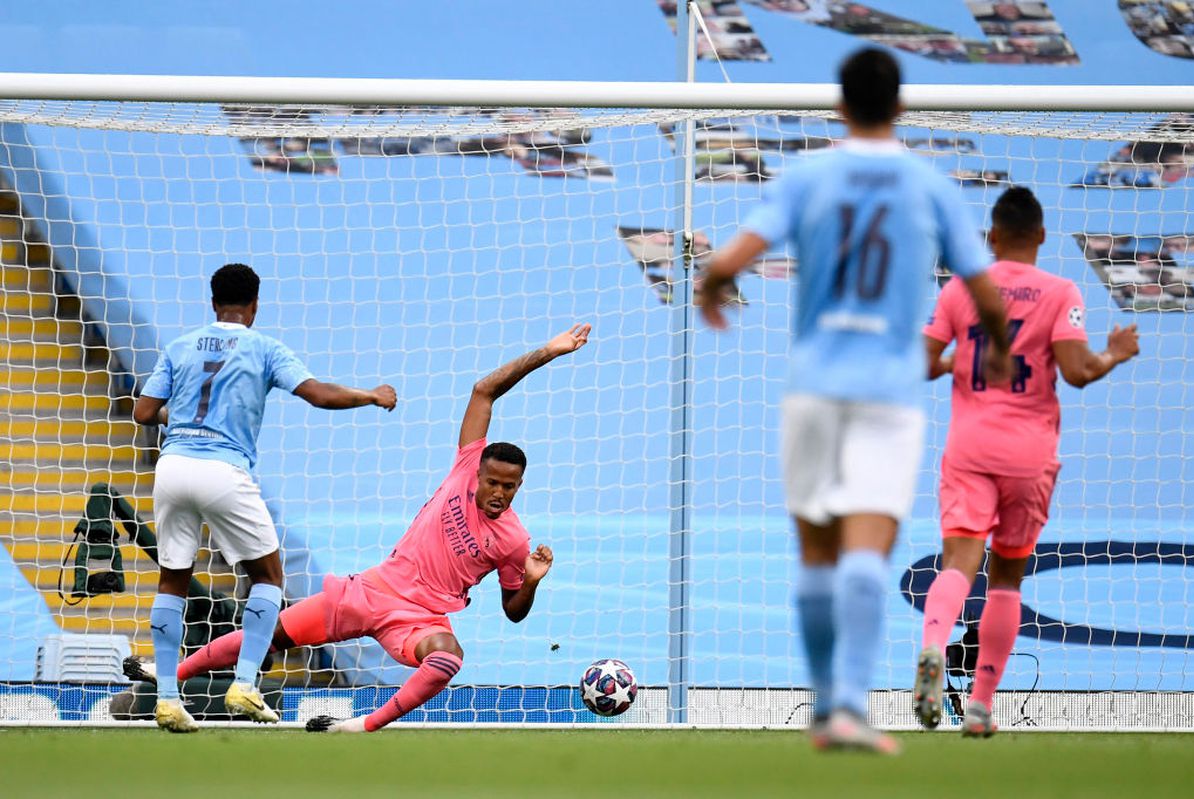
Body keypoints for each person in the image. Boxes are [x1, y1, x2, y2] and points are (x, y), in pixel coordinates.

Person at [697, 47, 1011, 753]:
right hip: (888, 393)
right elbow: (985, 291)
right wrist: (994, 344)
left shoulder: (810, 174)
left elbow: (729, 258)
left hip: (813, 386)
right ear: (900, 106)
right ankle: (849, 705)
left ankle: (823, 707)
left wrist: (713, 285)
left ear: (840, 105)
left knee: (815, 553)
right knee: (868, 547)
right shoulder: (928, 183)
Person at [128, 324, 591, 733]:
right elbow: (483, 392)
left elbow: (514, 611)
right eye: (493, 482)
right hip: (371, 589)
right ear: (478, 473)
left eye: (510, 488)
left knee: (449, 658)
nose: (499, 493)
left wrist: (529, 581)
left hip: (420, 619)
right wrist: (548, 353)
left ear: (519, 486)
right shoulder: (466, 463)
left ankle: (360, 726)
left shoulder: (515, 540)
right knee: (272, 632)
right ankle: (168, 672)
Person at [132, 263, 397, 732]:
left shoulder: (180, 346)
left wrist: (186, 418)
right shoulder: (264, 348)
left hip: (171, 467)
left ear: (212, 302)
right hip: (224, 469)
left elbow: (144, 411)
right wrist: (370, 395)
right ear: (255, 305)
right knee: (269, 575)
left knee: (172, 580)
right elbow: (318, 394)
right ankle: (246, 683)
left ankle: (169, 699)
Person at [914, 187, 1139, 736]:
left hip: (970, 447)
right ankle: (981, 707)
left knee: (958, 563)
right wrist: (1115, 352)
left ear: (991, 238)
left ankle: (932, 649)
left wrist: (949, 365)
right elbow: (1079, 372)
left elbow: (921, 363)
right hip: (1028, 454)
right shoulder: (1061, 292)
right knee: (1007, 579)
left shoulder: (964, 290)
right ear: (1040, 236)